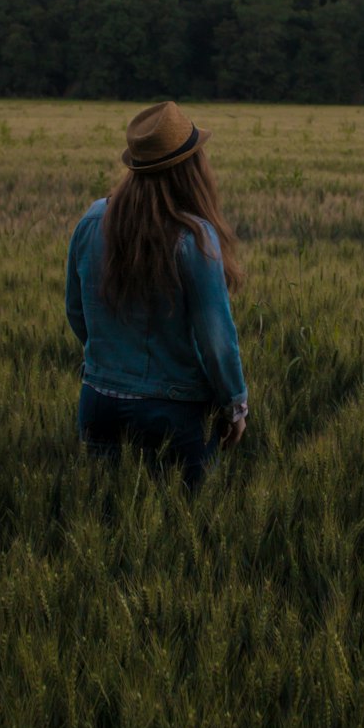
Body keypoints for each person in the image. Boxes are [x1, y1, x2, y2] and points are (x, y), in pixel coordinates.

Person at [66, 101, 248, 488]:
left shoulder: (92, 219)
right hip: (173, 411)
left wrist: (112, 362)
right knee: (185, 534)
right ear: (192, 168)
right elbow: (217, 341)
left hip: (98, 403)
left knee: (105, 527)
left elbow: (77, 312)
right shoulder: (194, 237)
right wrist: (235, 405)